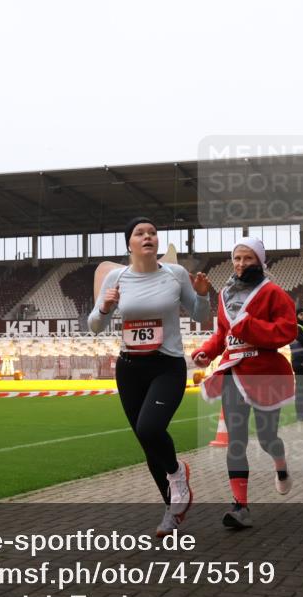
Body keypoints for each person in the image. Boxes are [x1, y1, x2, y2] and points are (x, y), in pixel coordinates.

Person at [89, 216, 211, 537]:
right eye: (140, 233)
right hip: (129, 368)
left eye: (153, 233)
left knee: (150, 427)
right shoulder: (116, 277)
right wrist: (104, 307)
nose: (148, 237)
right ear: (129, 243)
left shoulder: (175, 274)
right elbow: (94, 326)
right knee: (148, 443)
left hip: (167, 364)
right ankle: (172, 511)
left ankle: (177, 472)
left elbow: (202, 316)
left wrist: (201, 295)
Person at [193, 237, 297, 529]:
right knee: (235, 441)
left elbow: (287, 330)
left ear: (260, 261)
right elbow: (223, 334)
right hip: (233, 373)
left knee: (267, 438)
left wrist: (250, 326)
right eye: (237, 258)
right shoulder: (225, 293)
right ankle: (240, 507)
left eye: (248, 258)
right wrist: (206, 351)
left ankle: (281, 464)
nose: (241, 264)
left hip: (264, 372)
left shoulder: (274, 293)